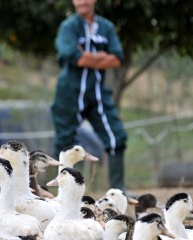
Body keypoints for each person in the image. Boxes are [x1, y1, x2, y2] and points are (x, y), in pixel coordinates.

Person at [51, 0, 128, 191]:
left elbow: (117, 58)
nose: (82, 1)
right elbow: (75, 58)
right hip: (69, 93)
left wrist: (88, 57)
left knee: (116, 136)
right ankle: (64, 191)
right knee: (65, 143)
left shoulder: (106, 27)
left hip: (98, 93)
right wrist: (102, 57)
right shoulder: (68, 27)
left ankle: (118, 190)